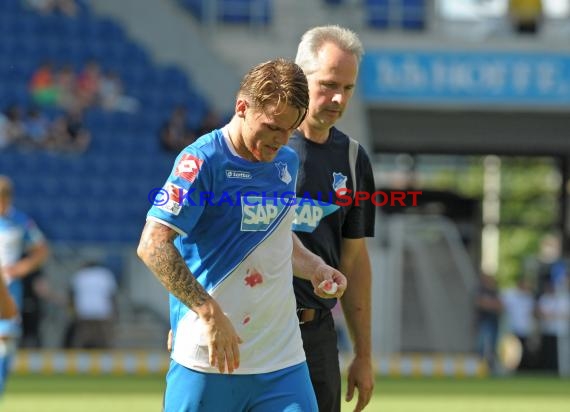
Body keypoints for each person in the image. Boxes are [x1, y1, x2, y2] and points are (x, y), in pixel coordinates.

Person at [137, 58, 347, 412]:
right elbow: (152, 245)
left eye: (290, 130)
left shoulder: (286, 163)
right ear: (242, 108)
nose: (280, 141)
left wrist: (316, 268)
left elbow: (278, 238)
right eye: (272, 127)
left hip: (282, 359)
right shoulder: (202, 160)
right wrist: (208, 312)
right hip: (210, 355)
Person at [289, 25, 376, 412]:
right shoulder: (256, 147)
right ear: (298, 77)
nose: (338, 98)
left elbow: (355, 263)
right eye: (327, 85)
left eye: (348, 88)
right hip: (249, 329)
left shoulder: (355, 161)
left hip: (316, 334)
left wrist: (363, 354)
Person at [0, 175, 49, 395]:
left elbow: (41, 249)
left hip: (9, 290)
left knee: (5, 344)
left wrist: (22, 267)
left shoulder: (20, 221)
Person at [68, 261, 118, 349]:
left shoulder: (80, 275)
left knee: (84, 337)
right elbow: (112, 295)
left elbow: (72, 295)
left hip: (84, 311)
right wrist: (114, 312)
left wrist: (73, 311)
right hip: (102, 311)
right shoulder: (105, 275)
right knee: (104, 338)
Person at [474, 273, 503, 373]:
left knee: (493, 346)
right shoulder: (481, 290)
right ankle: (479, 367)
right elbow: (481, 303)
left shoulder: (495, 291)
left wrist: (490, 304)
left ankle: (491, 368)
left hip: (494, 321)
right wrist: (492, 305)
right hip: (484, 321)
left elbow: (500, 306)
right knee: (481, 345)